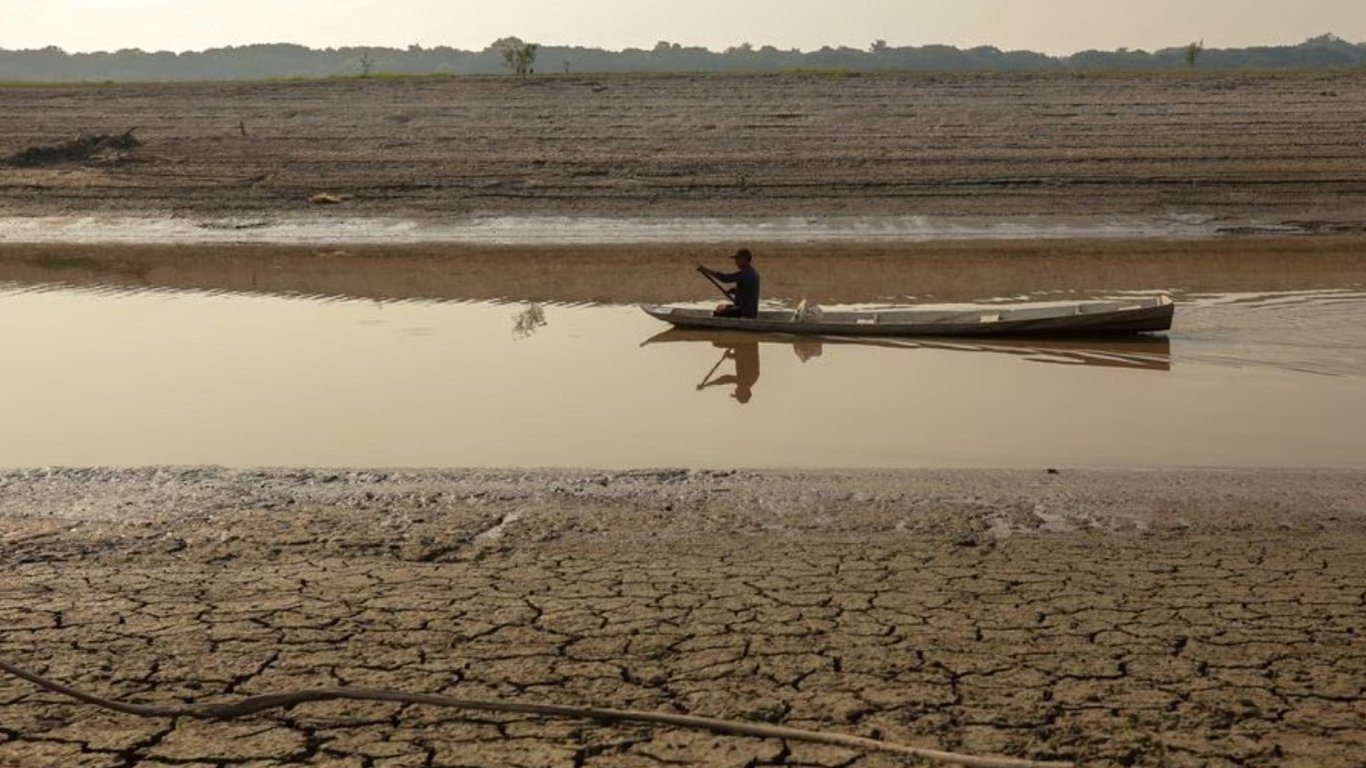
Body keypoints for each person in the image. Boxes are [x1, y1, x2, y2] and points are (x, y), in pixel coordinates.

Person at [698, 248, 760, 319]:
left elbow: (725, 279)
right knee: (720, 307)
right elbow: (747, 290)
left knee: (719, 311)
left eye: (737, 259)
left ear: (744, 259)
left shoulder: (746, 274)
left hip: (744, 312)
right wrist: (733, 291)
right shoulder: (753, 273)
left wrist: (706, 270)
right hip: (749, 311)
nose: (736, 262)